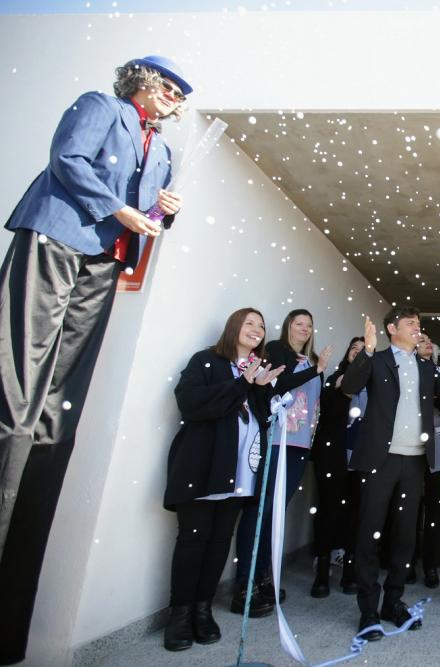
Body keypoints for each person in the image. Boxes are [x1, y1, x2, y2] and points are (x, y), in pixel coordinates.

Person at [0, 56, 191, 664]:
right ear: (140, 81)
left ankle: (8, 630)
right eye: (169, 89)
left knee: (58, 416)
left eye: (182, 96)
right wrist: (120, 210)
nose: (177, 101)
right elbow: (68, 162)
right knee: (16, 391)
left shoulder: (162, 152)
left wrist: (162, 212)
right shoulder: (98, 106)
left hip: (103, 264)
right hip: (57, 236)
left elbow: (145, 218)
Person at [340, 307, 440, 641]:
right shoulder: (375, 359)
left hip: (414, 461)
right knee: (370, 533)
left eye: (419, 324)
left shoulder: (425, 366)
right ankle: (368, 611)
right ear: (393, 329)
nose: (417, 328)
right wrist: (368, 351)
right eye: (410, 323)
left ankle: (394, 601)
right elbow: (349, 384)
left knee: (406, 536)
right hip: (380, 460)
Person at [161, 308, 285, 651]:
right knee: (192, 541)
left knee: (219, 543)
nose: (257, 329)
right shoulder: (207, 360)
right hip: (202, 469)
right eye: (250, 323)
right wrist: (242, 383)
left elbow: (257, 418)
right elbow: (191, 405)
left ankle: (203, 609)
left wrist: (261, 390)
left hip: (240, 472)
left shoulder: (256, 371)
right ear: (233, 328)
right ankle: (180, 614)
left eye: (261, 325)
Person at [230, 309, 333, 614]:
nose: (304, 328)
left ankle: (264, 576)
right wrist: (315, 371)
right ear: (288, 326)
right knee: (259, 511)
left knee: (276, 514)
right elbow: (277, 385)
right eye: (299, 323)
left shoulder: (314, 362)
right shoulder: (276, 350)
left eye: (309, 324)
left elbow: (316, 406)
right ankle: (245, 584)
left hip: (300, 446)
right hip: (274, 441)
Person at [310, 336, 365, 598]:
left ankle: (350, 570)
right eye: (354, 347)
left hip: (363, 458)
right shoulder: (335, 378)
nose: (358, 351)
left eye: (365, 350)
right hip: (333, 456)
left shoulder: (377, 383)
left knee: (356, 515)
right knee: (328, 512)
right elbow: (327, 413)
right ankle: (322, 572)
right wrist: (343, 387)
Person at [414, 333, 440, 589]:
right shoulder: (405, 368)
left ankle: (431, 564)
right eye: (421, 340)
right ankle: (406, 562)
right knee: (407, 507)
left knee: (434, 508)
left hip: (438, 443)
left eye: (430, 339)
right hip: (409, 442)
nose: (427, 342)